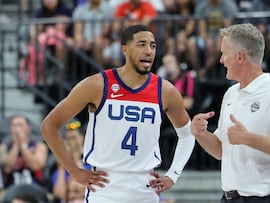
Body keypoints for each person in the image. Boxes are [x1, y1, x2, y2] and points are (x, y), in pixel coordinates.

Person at [40, 24, 195, 203]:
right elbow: (49, 126)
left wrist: (173, 175)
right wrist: (74, 171)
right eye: (141, 44)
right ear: (125, 50)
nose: (148, 51)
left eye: (152, 46)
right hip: (105, 185)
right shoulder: (97, 85)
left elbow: (187, 134)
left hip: (145, 186)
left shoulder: (165, 90)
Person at [190, 23, 270, 203]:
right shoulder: (231, 93)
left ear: (239, 57)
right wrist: (201, 134)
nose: (221, 60)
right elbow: (221, 150)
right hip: (229, 198)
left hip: (264, 199)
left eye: (224, 53)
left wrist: (249, 138)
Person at [1, 115, 48, 188]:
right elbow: (7, 168)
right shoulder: (3, 147)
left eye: (20, 125)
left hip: (34, 186)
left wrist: (23, 144)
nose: (17, 128)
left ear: (28, 128)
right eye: (14, 125)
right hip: (10, 187)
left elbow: (36, 166)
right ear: (10, 128)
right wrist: (16, 144)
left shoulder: (39, 146)